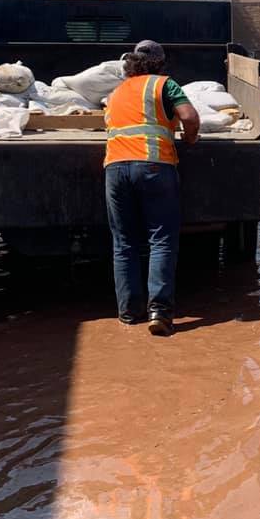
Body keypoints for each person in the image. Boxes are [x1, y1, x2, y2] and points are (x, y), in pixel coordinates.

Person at [104, 40, 200, 336]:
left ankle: (129, 313)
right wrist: (190, 139)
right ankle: (159, 312)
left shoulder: (115, 92)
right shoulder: (164, 85)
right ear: (160, 63)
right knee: (161, 240)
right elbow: (189, 117)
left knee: (124, 243)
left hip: (115, 168)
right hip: (154, 165)